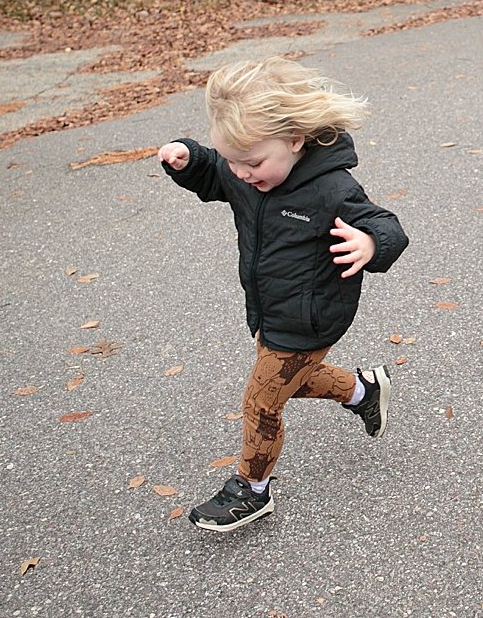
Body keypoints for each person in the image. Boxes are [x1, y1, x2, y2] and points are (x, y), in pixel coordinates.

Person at [158, 56, 409, 530]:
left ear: (295, 140)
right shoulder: (247, 171)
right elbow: (215, 174)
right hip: (270, 307)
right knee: (291, 377)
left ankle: (251, 491)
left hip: (311, 316)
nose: (242, 172)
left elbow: (386, 224)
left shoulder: (332, 188)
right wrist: (190, 160)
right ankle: (363, 392)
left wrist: (371, 243)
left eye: (252, 162)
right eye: (234, 159)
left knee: (262, 401)